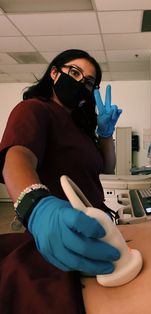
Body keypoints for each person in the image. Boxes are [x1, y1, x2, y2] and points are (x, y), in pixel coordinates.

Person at [0, 49, 122, 275]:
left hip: (96, 226)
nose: (79, 82)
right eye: (74, 72)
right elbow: (17, 156)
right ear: (54, 73)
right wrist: (37, 207)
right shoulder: (34, 109)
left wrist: (105, 134)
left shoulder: (80, 127)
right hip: (62, 231)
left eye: (88, 82)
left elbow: (107, 166)